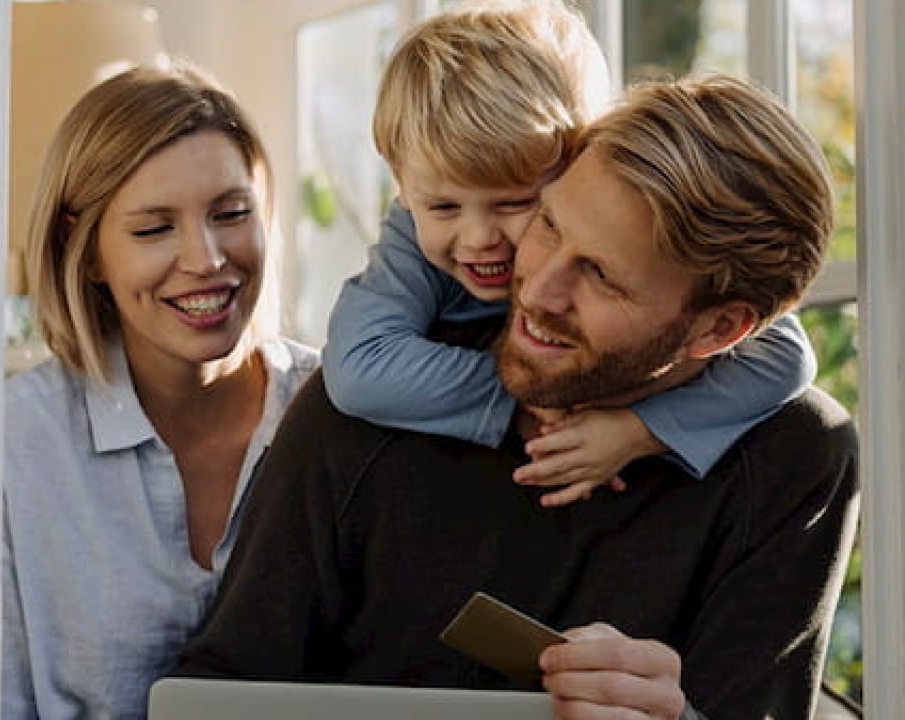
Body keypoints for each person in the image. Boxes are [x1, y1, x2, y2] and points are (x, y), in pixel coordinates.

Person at [173, 75, 859, 720]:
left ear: (721, 327)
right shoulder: (372, 405)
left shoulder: (792, 457)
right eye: (550, 224)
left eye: (601, 276)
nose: (537, 289)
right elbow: (218, 688)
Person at [323, 0, 817, 506]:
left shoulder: (803, 448)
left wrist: (639, 429)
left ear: (578, 163)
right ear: (405, 191)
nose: (477, 238)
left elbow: (784, 354)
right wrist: (533, 403)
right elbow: (359, 368)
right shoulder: (410, 239)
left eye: (517, 203)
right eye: (444, 206)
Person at [1, 62, 318, 719]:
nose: (206, 259)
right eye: (153, 229)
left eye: (231, 213)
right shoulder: (13, 443)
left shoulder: (336, 412)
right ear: (84, 251)